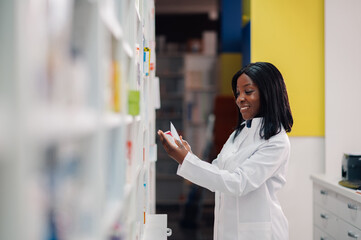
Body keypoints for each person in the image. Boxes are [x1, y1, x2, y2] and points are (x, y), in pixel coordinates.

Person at [158, 62, 293, 240]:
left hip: (259, 232)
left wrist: (187, 161)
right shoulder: (239, 133)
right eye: (238, 93)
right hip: (229, 229)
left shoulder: (276, 141)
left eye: (248, 91)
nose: (240, 99)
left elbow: (238, 182)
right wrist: (188, 156)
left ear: (269, 93)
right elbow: (218, 171)